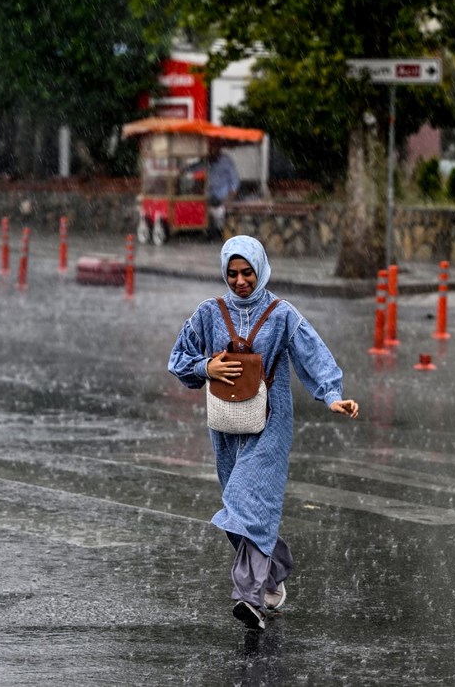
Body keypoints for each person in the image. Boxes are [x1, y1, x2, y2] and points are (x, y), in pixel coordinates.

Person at [168, 235, 359, 631]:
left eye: (247, 272)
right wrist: (208, 368)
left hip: (270, 424)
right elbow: (178, 359)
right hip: (224, 426)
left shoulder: (282, 314)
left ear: (261, 269)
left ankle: (248, 597)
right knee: (240, 510)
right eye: (232, 273)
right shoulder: (208, 312)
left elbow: (313, 354)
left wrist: (332, 396)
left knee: (245, 501)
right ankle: (274, 569)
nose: (240, 281)